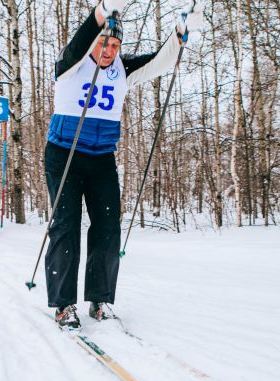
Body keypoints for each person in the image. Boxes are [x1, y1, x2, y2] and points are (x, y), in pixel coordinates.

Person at [44, 0, 194, 328]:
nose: (109, 50)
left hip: (101, 158)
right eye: (103, 43)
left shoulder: (122, 70)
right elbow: (82, 38)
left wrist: (180, 32)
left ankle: (99, 300)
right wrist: (103, 11)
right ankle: (64, 304)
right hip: (64, 155)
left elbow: (161, 61)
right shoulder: (71, 63)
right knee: (66, 226)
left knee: (108, 227)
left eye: (114, 45)